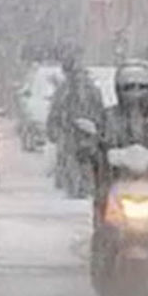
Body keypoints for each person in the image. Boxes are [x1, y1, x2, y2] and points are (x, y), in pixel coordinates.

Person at [79, 61, 148, 296]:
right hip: (115, 184)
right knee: (103, 223)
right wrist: (90, 148)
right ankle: (102, 267)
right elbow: (90, 144)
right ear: (118, 89)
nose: (135, 92)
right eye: (129, 87)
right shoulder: (106, 119)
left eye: (141, 86)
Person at [46, 51, 104, 197]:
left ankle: (76, 186)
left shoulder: (66, 88)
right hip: (85, 130)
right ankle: (83, 185)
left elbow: (56, 109)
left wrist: (53, 126)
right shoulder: (91, 87)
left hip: (71, 130)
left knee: (72, 157)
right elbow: (99, 108)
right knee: (85, 158)